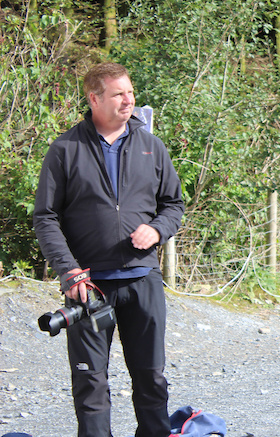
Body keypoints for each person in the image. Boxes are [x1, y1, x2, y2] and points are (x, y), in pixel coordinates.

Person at [33, 62, 185, 437]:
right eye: (118, 94)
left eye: (130, 92)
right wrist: (69, 272)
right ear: (94, 98)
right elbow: (45, 217)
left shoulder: (152, 146)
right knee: (91, 385)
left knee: (151, 378)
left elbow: (174, 205)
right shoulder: (65, 149)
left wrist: (157, 229)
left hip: (143, 280)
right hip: (88, 286)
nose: (128, 100)